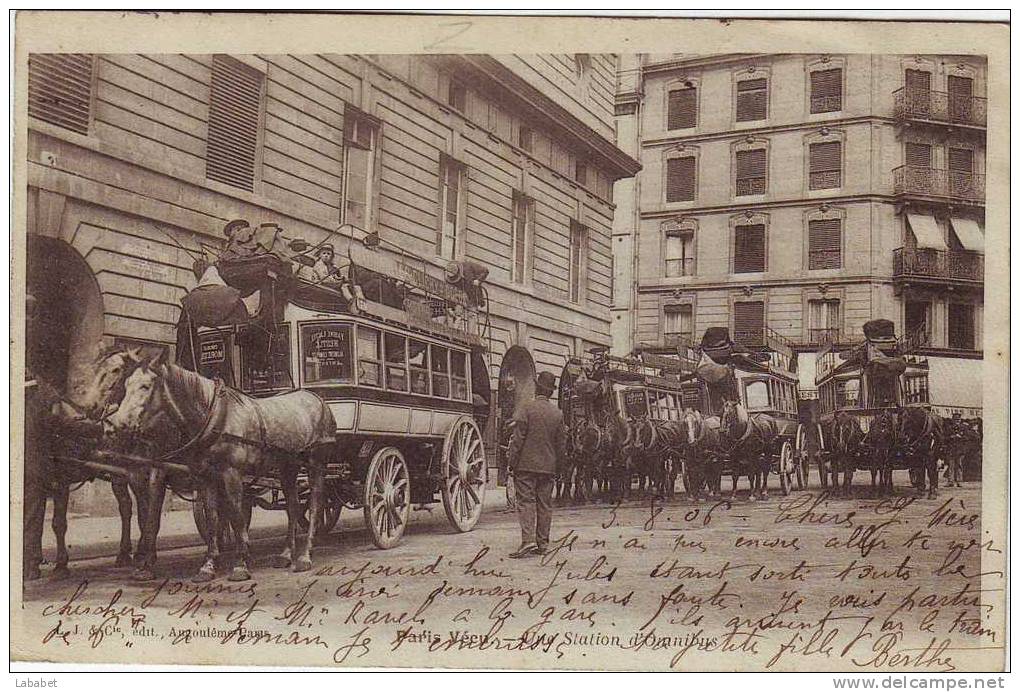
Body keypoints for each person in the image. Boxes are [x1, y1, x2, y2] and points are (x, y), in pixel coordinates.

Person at [506, 371, 565, 558]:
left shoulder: (526, 408)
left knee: (526, 502)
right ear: (550, 393)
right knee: (545, 504)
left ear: (538, 388)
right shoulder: (558, 414)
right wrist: (560, 468)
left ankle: (528, 541)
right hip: (548, 467)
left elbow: (517, 440)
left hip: (526, 466)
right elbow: (561, 446)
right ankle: (543, 544)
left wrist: (511, 462)